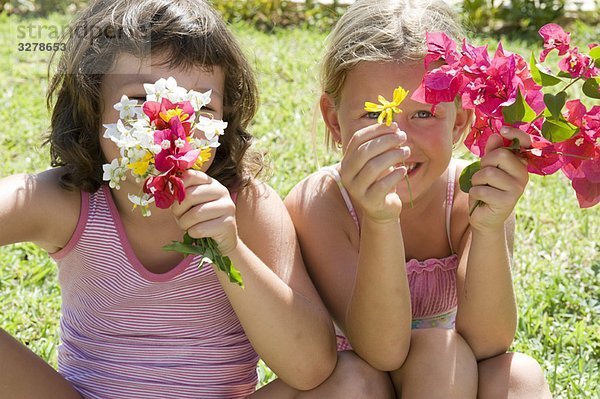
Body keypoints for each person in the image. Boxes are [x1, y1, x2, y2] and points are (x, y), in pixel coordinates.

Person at [0, 0, 339, 398]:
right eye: (142, 103)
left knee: (355, 380)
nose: (170, 130)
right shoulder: (68, 200)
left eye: (200, 108)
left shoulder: (247, 206)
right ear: (92, 111)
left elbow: (311, 368)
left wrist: (228, 248)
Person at [284, 0, 553, 397]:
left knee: (519, 375)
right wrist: (380, 220)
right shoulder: (320, 204)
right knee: (438, 353)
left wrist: (489, 226)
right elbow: (383, 353)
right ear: (334, 121)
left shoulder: (470, 195)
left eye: (424, 115)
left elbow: (488, 343)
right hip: (359, 383)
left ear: (459, 120)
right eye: (376, 115)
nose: (400, 140)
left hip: (447, 378)